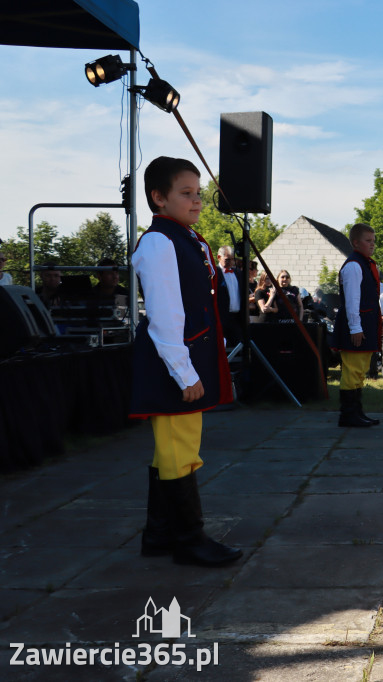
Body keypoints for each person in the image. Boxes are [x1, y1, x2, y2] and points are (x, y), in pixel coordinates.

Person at [129, 156, 241, 567]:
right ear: (159, 198)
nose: (196, 202)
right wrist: (184, 372)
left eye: (198, 194)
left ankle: (159, 534)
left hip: (184, 359)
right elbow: (164, 314)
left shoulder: (184, 238)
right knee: (179, 450)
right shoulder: (159, 242)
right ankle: (189, 540)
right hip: (172, 362)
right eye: (185, 194)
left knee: (172, 450)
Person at [333, 224, 383, 428]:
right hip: (357, 325)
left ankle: (357, 411)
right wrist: (356, 328)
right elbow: (352, 300)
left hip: (365, 323)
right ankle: (348, 414)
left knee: (360, 370)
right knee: (352, 370)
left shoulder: (364, 263)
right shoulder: (354, 266)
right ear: (356, 242)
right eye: (367, 241)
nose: (372, 245)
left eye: (373, 241)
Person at [215, 245, 244, 346]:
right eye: (227, 260)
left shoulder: (238, 273)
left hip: (236, 317)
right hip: (221, 317)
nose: (230, 262)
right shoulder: (215, 273)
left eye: (232, 259)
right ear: (219, 257)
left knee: (238, 345)